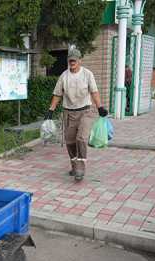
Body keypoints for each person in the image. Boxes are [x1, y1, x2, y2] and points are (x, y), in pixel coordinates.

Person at [45, 48, 108, 181]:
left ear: (80, 60)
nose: (72, 61)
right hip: (69, 112)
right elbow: (57, 94)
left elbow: (94, 92)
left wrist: (100, 107)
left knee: (81, 138)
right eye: (70, 60)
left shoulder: (87, 74)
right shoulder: (64, 76)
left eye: (74, 59)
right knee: (70, 141)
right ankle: (74, 165)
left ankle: (81, 166)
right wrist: (51, 110)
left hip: (86, 111)